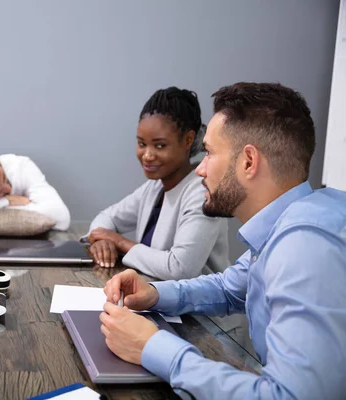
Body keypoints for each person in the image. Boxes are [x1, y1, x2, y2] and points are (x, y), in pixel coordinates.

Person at [100, 82, 346, 399]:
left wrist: (154, 348)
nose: (200, 168)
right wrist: (154, 294)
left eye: (210, 153)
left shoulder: (305, 247)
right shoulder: (290, 224)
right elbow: (230, 287)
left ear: (248, 162)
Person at [87, 87, 229, 279]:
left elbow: (179, 268)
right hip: (153, 299)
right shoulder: (155, 187)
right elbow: (106, 218)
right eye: (141, 143)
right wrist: (102, 242)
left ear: (188, 140)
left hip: (195, 308)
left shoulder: (203, 191)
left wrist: (119, 242)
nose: (147, 155)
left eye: (160, 145)